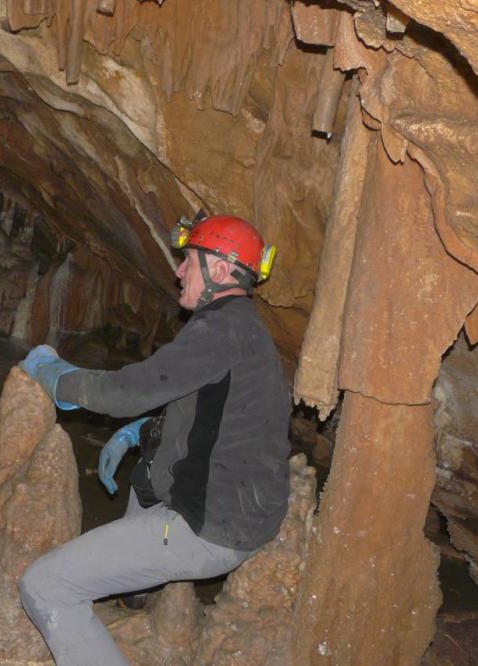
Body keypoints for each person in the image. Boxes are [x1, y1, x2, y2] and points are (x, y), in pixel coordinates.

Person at [18, 214, 292, 665]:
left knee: (46, 586)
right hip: (240, 510)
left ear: (220, 272)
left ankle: (131, 580)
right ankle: (135, 597)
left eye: (189, 260)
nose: (178, 271)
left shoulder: (220, 331)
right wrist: (138, 432)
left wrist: (56, 377)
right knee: (146, 475)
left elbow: (127, 392)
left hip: (210, 527)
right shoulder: (245, 331)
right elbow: (216, 422)